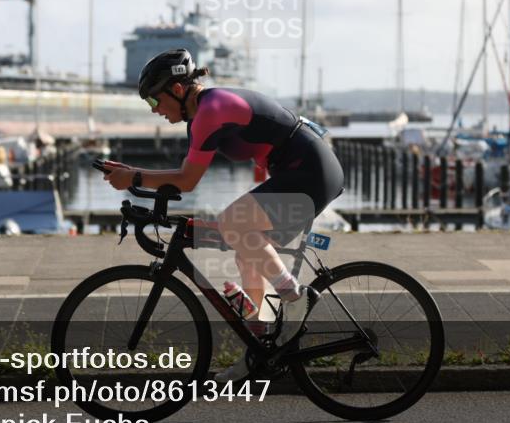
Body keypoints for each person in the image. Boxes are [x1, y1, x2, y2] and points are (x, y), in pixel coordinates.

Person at [102, 48, 345, 382]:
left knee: (232, 222)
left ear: (176, 90)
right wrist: (133, 174)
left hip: (310, 169)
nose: (155, 111)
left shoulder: (210, 112)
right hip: (296, 169)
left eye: (155, 102)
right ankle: (258, 352)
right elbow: (183, 176)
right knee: (246, 251)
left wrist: (134, 177)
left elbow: (187, 180)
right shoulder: (201, 114)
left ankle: (294, 296)